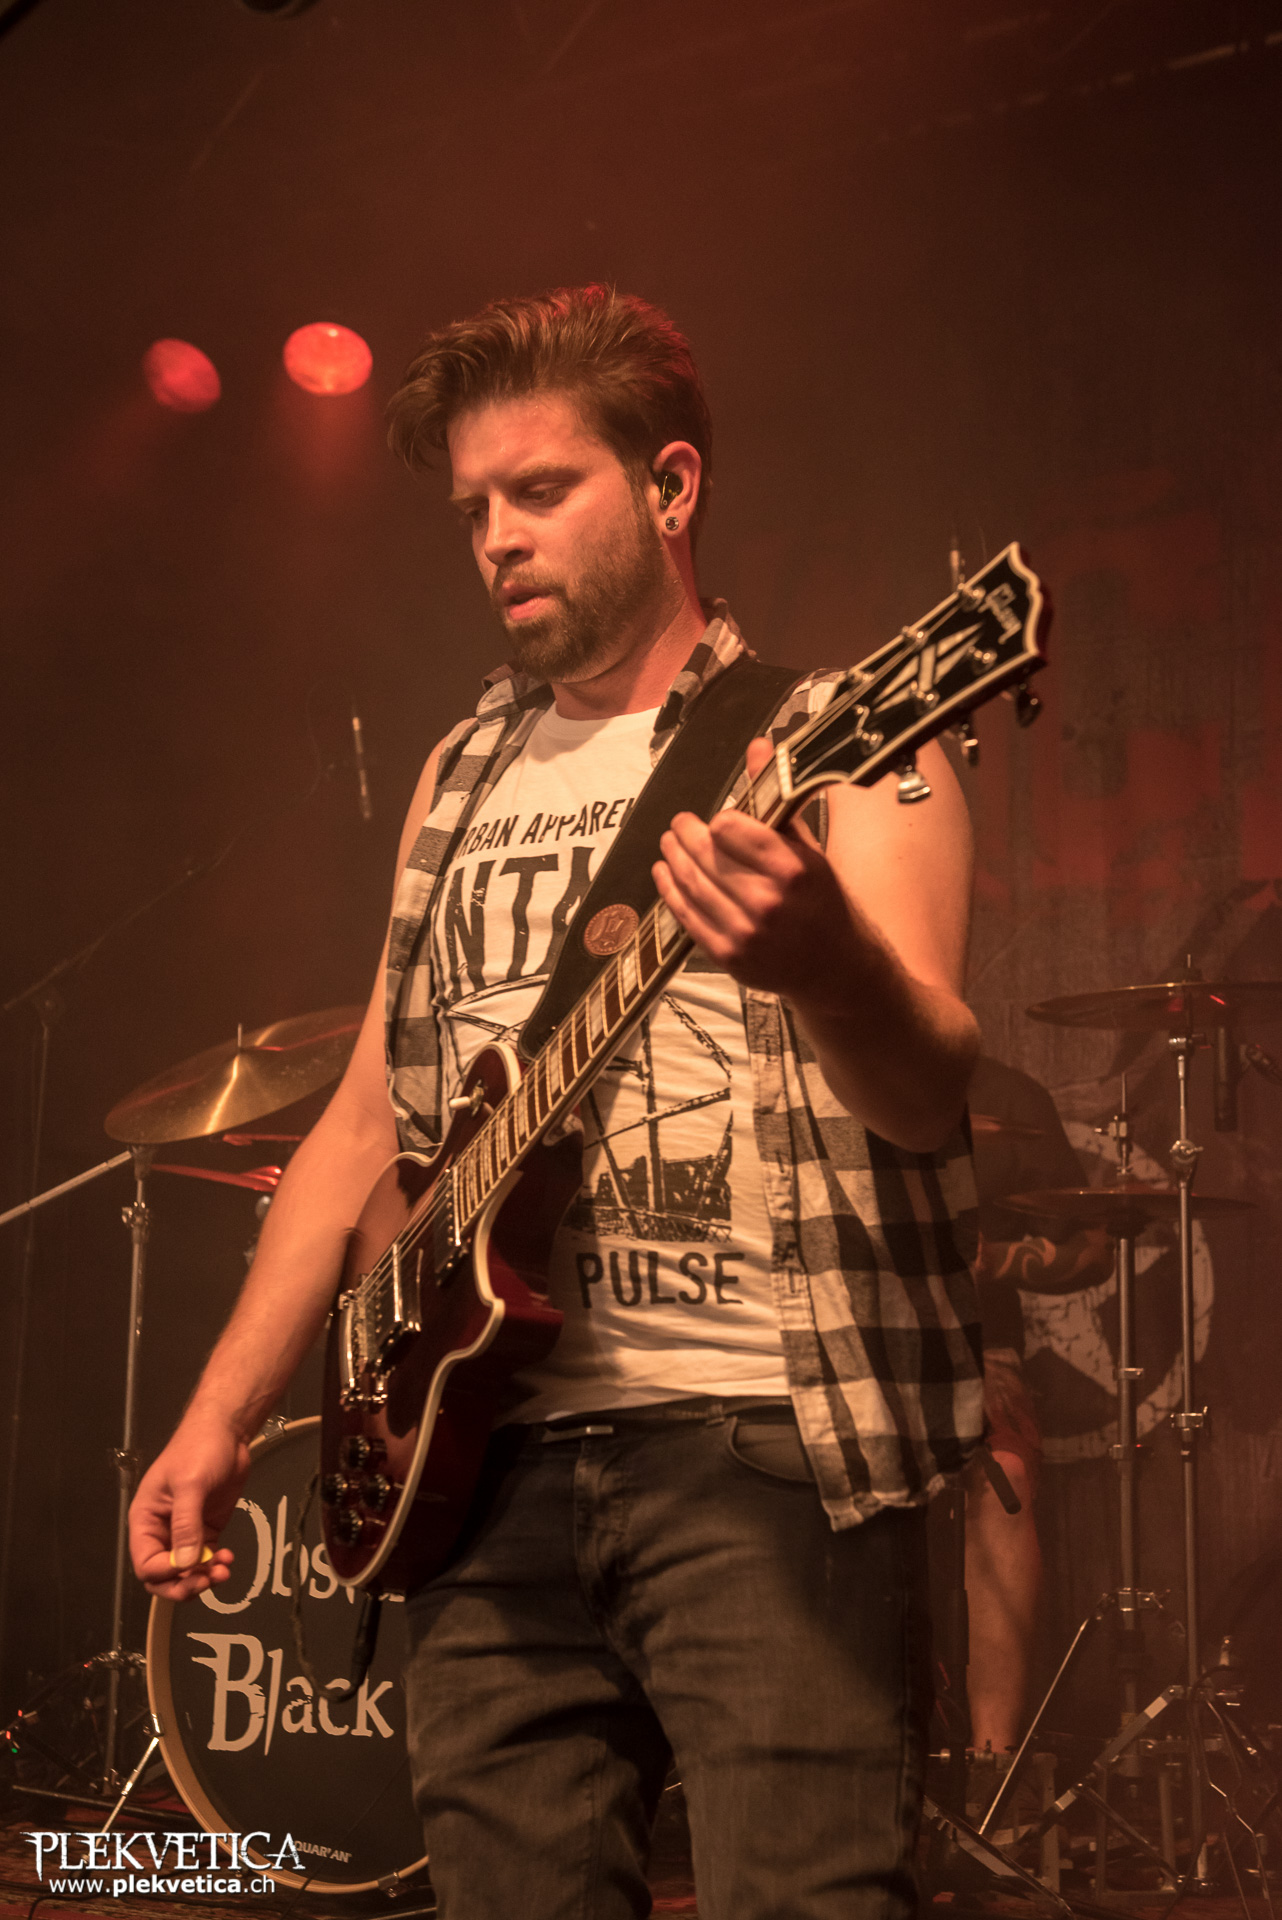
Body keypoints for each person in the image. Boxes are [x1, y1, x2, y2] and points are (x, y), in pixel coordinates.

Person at [130, 285, 985, 1920]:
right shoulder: (457, 778)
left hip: (761, 1451)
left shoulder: (839, 739)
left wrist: (826, 965)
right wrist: (223, 1415)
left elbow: (928, 1088)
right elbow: (366, 1126)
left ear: (669, 486)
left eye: (539, 491)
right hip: (481, 1473)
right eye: (472, 510)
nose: (497, 539)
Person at [962, 1055, 1113, 1768]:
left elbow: (1092, 1244)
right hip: (831, 1349)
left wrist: (991, 1261)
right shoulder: (806, 1072)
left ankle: (993, 1764)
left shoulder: (1006, 1095)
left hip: (978, 1349)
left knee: (1006, 1482)